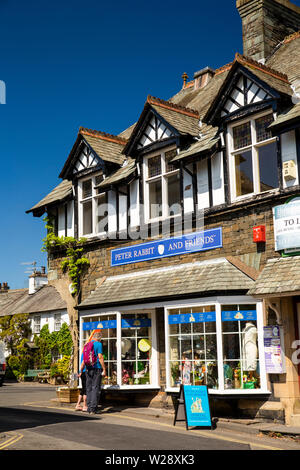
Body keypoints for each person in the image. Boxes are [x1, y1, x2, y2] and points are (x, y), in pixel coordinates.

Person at [79, 331, 106, 415]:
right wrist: (104, 369)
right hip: (96, 368)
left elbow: (84, 360)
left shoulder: (86, 345)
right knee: (95, 388)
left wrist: (81, 370)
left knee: (89, 388)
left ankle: (89, 407)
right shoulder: (98, 344)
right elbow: (100, 357)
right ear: (99, 338)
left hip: (88, 369)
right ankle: (93, 409)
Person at [75, 347, 88, 412]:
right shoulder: (86, 353)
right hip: (85, 372)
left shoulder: (83, 353)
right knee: (86, 389)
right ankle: (85, 405)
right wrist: (81, 371)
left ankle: (78, 404)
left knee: (83, 389)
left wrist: (80, 372)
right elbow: (83, 363)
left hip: (82, 372)